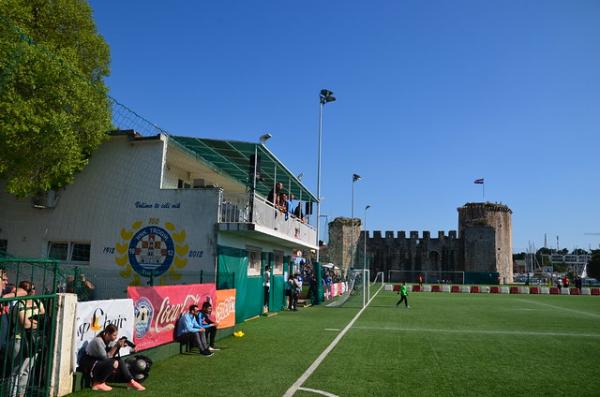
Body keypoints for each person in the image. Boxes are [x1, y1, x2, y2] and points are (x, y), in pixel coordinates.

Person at [79, 324, 145, 391]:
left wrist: (121, 346)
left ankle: (131, 381)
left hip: (97, 361)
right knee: (114, 362)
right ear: (107, 334)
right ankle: (98, 383)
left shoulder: (108, 339)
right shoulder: (97, 341)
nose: (115, 338)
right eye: (114, 335)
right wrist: (116, 346)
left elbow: (112, 353)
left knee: (119, 360)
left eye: (116, 335)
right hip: (88, 363)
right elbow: (106, 358)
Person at [10, 280, 46, 397]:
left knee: (26, 371)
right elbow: (24, 324)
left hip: (34, 340)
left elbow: (45, 320)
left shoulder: (37, 301)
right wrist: (36, 321)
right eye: (30, 289)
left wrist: (32, 321)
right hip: (20, 340)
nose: (33, 291)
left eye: (34, 289)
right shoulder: (20, 304)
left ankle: (21, 394)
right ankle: (12, 394)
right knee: (16, 372)